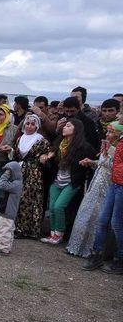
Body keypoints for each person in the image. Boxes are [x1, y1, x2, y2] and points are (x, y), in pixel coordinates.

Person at [66, 121, 122, 257]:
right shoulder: (107, 147)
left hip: (108, 186)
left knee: (100, 218)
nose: (108, 135)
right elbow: (102, 164)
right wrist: (91, 162)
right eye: (107, 131)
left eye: (111, 132)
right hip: (96, 184)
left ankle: (96, 251)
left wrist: (109, 151)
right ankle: (78, 246)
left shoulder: (116, 149)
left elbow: (114, 166)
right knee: (85, 213)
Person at [39, 118, 96, 244]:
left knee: (59, 206)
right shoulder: (59, 143)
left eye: (68, 126)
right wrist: (46, 157)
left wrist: (87, 164)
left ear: (76, 129)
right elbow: (50, 158)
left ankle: (59, 234)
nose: (64, 127)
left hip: (72, 182)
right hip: (57, 180)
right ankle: (52, 234)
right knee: (53, 207)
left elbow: (93, 161)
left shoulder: (84, 147)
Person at [82, 113, 123, 273]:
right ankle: (96, 254)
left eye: (121, 112)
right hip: (115, 184)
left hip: (120, 184)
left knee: (117, 224)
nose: (119, 115)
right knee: (103, 220)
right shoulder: (119, 141)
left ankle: (120, 258)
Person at [12, 114, 50, 239]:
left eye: (32, 124)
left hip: (34, 173)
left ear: (37, 126)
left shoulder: (41, 140)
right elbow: (18, 155)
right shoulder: (20, 138)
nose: (29, 126)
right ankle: (18, 227)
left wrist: (44, 158)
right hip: (20, 170)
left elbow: (47, 156)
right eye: (27, 124)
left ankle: (30, 229)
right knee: (19, 198)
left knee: (29, 198)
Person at [0, 161, 23, 255]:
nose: (7, 173)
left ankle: (4, 249)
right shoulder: (15, 183)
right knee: (8, 229)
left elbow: (2, 185)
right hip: (6, 210)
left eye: (9, 171)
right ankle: (7, 247)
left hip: (7, 212)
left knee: (4, 230)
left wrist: (6, 174)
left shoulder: (17, 184)